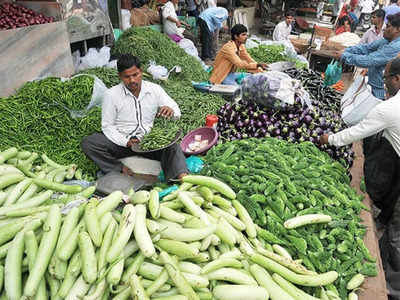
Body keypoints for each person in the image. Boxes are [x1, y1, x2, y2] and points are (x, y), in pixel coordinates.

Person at [320, 57, 400, 300]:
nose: (385, 84)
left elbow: (356, 131)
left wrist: (329, 139)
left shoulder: (389, 108)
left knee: (397, 233)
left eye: (386, 78)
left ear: (397, 79)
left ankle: (390, 288)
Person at [82, 54, 188, 181]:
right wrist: (124, 141)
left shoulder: (154, 90)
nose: (132, 80)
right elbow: (108, 126)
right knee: (90, 143)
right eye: (127, 77)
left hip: (149, 142)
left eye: (135, 75)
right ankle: (119, 169)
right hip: (123, 144)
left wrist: (170, 110)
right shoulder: (111, 95)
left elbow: (175, 109)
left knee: (173, 147)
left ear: (141, 72)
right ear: (120, 76)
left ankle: (182, 179)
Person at [334, 12, 400, 100]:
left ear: (398, 29)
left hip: (382, 91)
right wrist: (346, 50)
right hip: (373, 86)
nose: (384, 29)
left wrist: (344, 56)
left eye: (388, 26)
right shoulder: (386, 40)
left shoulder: (395, 47)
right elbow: (367, 48)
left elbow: (369, 60)